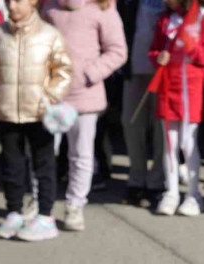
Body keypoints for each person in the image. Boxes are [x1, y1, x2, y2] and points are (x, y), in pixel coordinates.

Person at [0, 0, 72, 241]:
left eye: (19, 1)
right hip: (7, 112)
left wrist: (48, 96)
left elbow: (64, 71)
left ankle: (46, 216)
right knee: (11, 164)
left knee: (44, 164)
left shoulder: (50, 35)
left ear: (33, 3)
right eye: (9, 2)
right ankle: (14, 211)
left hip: (39, 113)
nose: (13, 7)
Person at [43, 0, 127, 231]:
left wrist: (89, 73)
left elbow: (118, 50)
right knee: (44, 152)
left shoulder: (103, 7)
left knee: (80, 154)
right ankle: (42, 205)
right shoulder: (48, 6)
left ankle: (75, 205)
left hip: (85, 94)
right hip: (52, 92)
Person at [148, 0, 204, 216]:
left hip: (192, 87)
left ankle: (193, 194)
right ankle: (171, 192)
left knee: (188, 143)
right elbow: (154, 50)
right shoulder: (165, 18)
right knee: (169, 143)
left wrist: (191, 45)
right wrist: (158, 57)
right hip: (168, 86)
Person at [119, 0, 168, 206]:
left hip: (166, 71)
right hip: (135, 67)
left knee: (161, 129)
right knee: (131, 123)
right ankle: (136, 178)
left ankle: (157, 181)